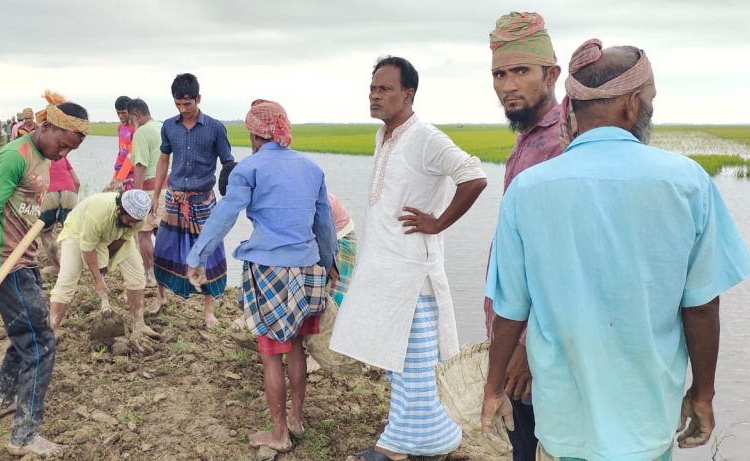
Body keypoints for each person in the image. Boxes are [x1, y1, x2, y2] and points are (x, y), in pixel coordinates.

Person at [480, 40, 750, 461]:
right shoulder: (687, 183)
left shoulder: (529, 190)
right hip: (645, 425)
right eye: (649, 100)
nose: (650, 109)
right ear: (631, 106)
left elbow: (510, 310)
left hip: (562, 426)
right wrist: (702, 395)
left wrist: (493, 388)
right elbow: (701, 307)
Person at [331, 56, 488, 461]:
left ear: (408, 94)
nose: (375, 95)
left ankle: (412, 443)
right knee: (393, 359)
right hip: (383, 266)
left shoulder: (425, 137)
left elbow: (473, 175)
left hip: (413, 274)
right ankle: (411, 435)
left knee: (416, 363)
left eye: (384, 89)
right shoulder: (383, 136)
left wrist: (439, 223)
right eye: (372, 88)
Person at [186, 99, 338, 453]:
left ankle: (279, 432)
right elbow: (324, 225)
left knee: (272, 353)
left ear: (255, 133)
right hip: (308, 268)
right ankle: (297, 419)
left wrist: (198, 255)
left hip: (270, 270)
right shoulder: (311, 168)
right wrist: (330, 264)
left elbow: (225, 215)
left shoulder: (249, 169)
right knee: (297, 346)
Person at [0, 93, 89, 458]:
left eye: (71, 150)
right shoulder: (14, 156)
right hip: (7, 266)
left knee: (23, 336)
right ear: (47, 125)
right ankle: (24, 436)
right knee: (42, 344)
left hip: (26, 259)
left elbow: (27, 207)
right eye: (62, 144)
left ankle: (3, 399)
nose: (63, 154)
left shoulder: (42, 154)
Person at [484, 11, 566, 458]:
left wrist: (526, 347)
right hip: (514, 335)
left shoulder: (560, 145)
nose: (508, 85)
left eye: (521, 71)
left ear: (551, 74)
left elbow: (557, 261)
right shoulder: (526, 137)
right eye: (499, 73)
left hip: (535, 345)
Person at [151, 73, 234, 327]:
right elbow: (164, 159)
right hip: (174, 198)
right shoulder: (169, 126)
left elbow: (227, 162)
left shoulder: (215, 128)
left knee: (209, 251)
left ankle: (208, 310)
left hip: (202, 200)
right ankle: (160, 296)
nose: (183, 109)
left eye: (187, 104)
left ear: (198, 99)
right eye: (178, 104)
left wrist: (230, 195)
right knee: (163, 248)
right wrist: (156, 194)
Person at [48, 190, 159, 341]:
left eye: (136, 221)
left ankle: (139, 324)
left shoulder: (137, 219)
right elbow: (88, 248)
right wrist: (98, 280)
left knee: (137, 276)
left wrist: (105, 265)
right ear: (119, 209)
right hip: (78, 232)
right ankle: (51, 331)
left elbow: (121, 240)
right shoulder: (98, 215)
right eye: (130, 220)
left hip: (115, 234)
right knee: (68, 278)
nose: (133, 224)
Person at [127, 98, 164, 298]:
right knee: (163, 233)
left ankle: (151, 275)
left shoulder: (141, 132)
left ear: (136, 115)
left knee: (143, 234)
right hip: (169, 188)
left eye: (131, 118)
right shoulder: (163, 127)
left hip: (150, 189)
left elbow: (140, 165)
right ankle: (169, 272)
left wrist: (136, 194)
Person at [38, 156, 80, 275]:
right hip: (69, 191)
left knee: (46, 233)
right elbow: (77, 181)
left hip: (48, 192)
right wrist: (73, 196)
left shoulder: (36, 155)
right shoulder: (61, 156)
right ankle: (71, 268)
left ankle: (56, 266)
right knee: (71, 233)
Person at [112, 96, 136, 191]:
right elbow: (121, 152)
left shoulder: (135, 129)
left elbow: (131, 155)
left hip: (131, 173)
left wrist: (120, 178)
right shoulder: (120, 128)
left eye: (123, 113)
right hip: (119, 169)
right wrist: (116, 174)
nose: (121, 116)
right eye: (118, 113)